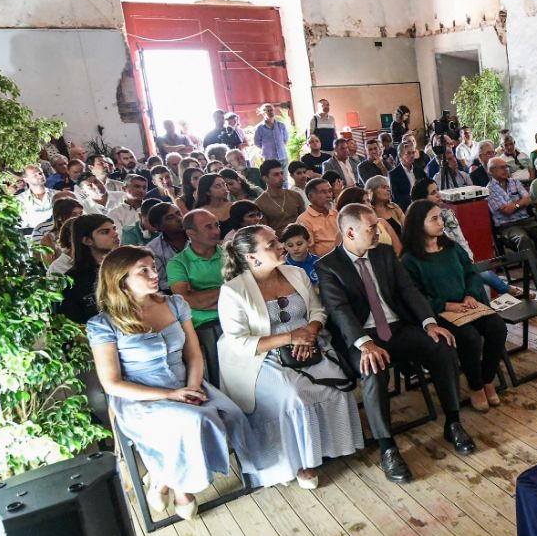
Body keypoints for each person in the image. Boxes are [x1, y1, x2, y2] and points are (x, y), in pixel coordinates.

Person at [87, 247, 257, 521]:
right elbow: (112, 384)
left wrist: (192, 387)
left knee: (231, 413)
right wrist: (171, 394)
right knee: (192, 421)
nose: (155, 274)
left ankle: (161, 478)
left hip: (185, 382)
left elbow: (193, 353)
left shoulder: (175, 303)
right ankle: (180, 488)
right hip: (140, 398)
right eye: (144, 270)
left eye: (154, 266)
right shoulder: (103, 324)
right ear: (121, 279)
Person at [315, 202, 476, 484]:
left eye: (377, 225)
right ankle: (388, 447)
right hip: (362, 337)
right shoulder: (328, 266)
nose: (379, 231)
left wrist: (430, 323)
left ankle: (453, 422)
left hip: (397, 327)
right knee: (373, 370)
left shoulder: (385, 253)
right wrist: (364, 344)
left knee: (443, 346)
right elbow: (339, 310)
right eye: (372, 227)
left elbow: (408, 290)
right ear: (350, 233)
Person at [217, 227, 365, 490]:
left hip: (309, 343)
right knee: (293, 394)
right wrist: (289, 339)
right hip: (263, 356)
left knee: (337, 383)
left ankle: (332, 445)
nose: (281, 247)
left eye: (277, 242)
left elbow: (318, 311)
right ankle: (302, 461)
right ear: (252, 257)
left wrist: (310, 331)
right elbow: (239, 342)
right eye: (271, 244)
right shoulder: (234, 291)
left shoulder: (296, 274)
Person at [400, 200, 510, 412]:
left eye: (440, 217)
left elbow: (471, 273)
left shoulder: (452, 247)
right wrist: (446, 305)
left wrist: (470, 294)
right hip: (440, 313)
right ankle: (475, 386)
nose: (441, 222)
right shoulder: (410, 260)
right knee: (469, 338)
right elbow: (415, 296)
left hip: (467, 305)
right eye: (434, 219)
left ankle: (487, 379)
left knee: (498, 328)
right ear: (418, 224)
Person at [412, 178, 523, 299]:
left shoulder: (448, 214)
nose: (439, 195)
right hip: (441, 267)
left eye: (438, 190)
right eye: (433, 193)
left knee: (476, 271)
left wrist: (468, 260)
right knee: (480, 272)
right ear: (422, 199)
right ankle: (506, 289)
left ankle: (503, 292)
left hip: (460, 260)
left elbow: (462, 242)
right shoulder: (419, 225)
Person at [166, 209, 228, 384]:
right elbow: (187, 301)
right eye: (208, 227)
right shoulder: (178, 263)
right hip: (204, 327)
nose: (216, 231)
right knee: (219, 379)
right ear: (191, 233)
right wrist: (229, 291)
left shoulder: (230, 254)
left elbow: (246, 290)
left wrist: (203, 297)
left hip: (236, 318)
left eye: (216, 225)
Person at [57, 214, 119, 324]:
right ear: (87, 240)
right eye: (105, 232)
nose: (115, 234)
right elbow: (69, 326)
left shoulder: (125, 269)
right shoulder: (71, 281)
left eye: (114, 229)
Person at [485, 155, 537, 255]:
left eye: (506, 167)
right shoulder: (489, 189)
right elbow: (507, 211)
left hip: (526, 220)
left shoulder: (514, 182)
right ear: (491, 171)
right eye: (502, 167)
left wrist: (514, 206)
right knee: (523, 239)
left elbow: (528, 199)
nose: (506, 170)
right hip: (507, 226)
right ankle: (535, 270)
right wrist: (520, 203)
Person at [295, 178, 339, 257]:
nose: (329, 196)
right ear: (311, 196)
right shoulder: (304, 220)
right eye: (323, 192)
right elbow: (309, 250)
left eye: (329, 191)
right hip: (323, 263)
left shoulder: (336, 214)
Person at [144, 202, 187, 284]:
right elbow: (162, 282)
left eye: (178, 213)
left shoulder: (198, 235)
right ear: (158, 227)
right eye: (170, 217)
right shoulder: (152, 249)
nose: (179, 219)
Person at [365, 175, 408, 254]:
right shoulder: (368, 213)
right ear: (372, 191)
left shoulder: (394, 207)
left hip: (404, 249)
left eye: (388, 187)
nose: (388, 190)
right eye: (384, 187)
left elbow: (407, 228)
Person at [39, 196, 84, 270]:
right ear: (59, 217)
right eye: (73, 214)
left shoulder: (87, 233)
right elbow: (51, 268)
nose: (78, 217)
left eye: (80, 214)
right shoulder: (48, 240)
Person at [389, 137, 430, 209]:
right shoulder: (394, 174)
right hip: (406, 208)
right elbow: (396, 197)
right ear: (400, 156)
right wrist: (413, 199)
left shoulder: (419, 170)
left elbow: (426, 186)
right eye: (408, 153)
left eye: (413, 153)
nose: (411, 155)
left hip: (422, 205)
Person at [16, 164, 55, 233]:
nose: (40, 176)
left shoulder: (58, 194)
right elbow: (21, 224)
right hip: (33, 237)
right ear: (26, 179)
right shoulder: (20, 199)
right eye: (35, 175)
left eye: (40, 173)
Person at [108, 174, 150, 238]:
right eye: (137, 186)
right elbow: (120, 238)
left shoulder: (152, 209)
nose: (141, 190)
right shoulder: (114, 214)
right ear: (124, 189)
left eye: (144, 188)